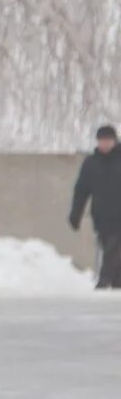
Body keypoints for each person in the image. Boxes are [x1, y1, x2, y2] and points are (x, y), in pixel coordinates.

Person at [69, 124, 121, 289]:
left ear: (114, 141)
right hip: (102, 217)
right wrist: (75, 214)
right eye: (102, 140)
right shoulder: (91, 163)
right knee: (111, 250)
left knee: (113, 249)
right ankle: (116, 285)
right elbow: (81, 190)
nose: (105, 144)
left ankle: (103, 282)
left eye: (108, 140)